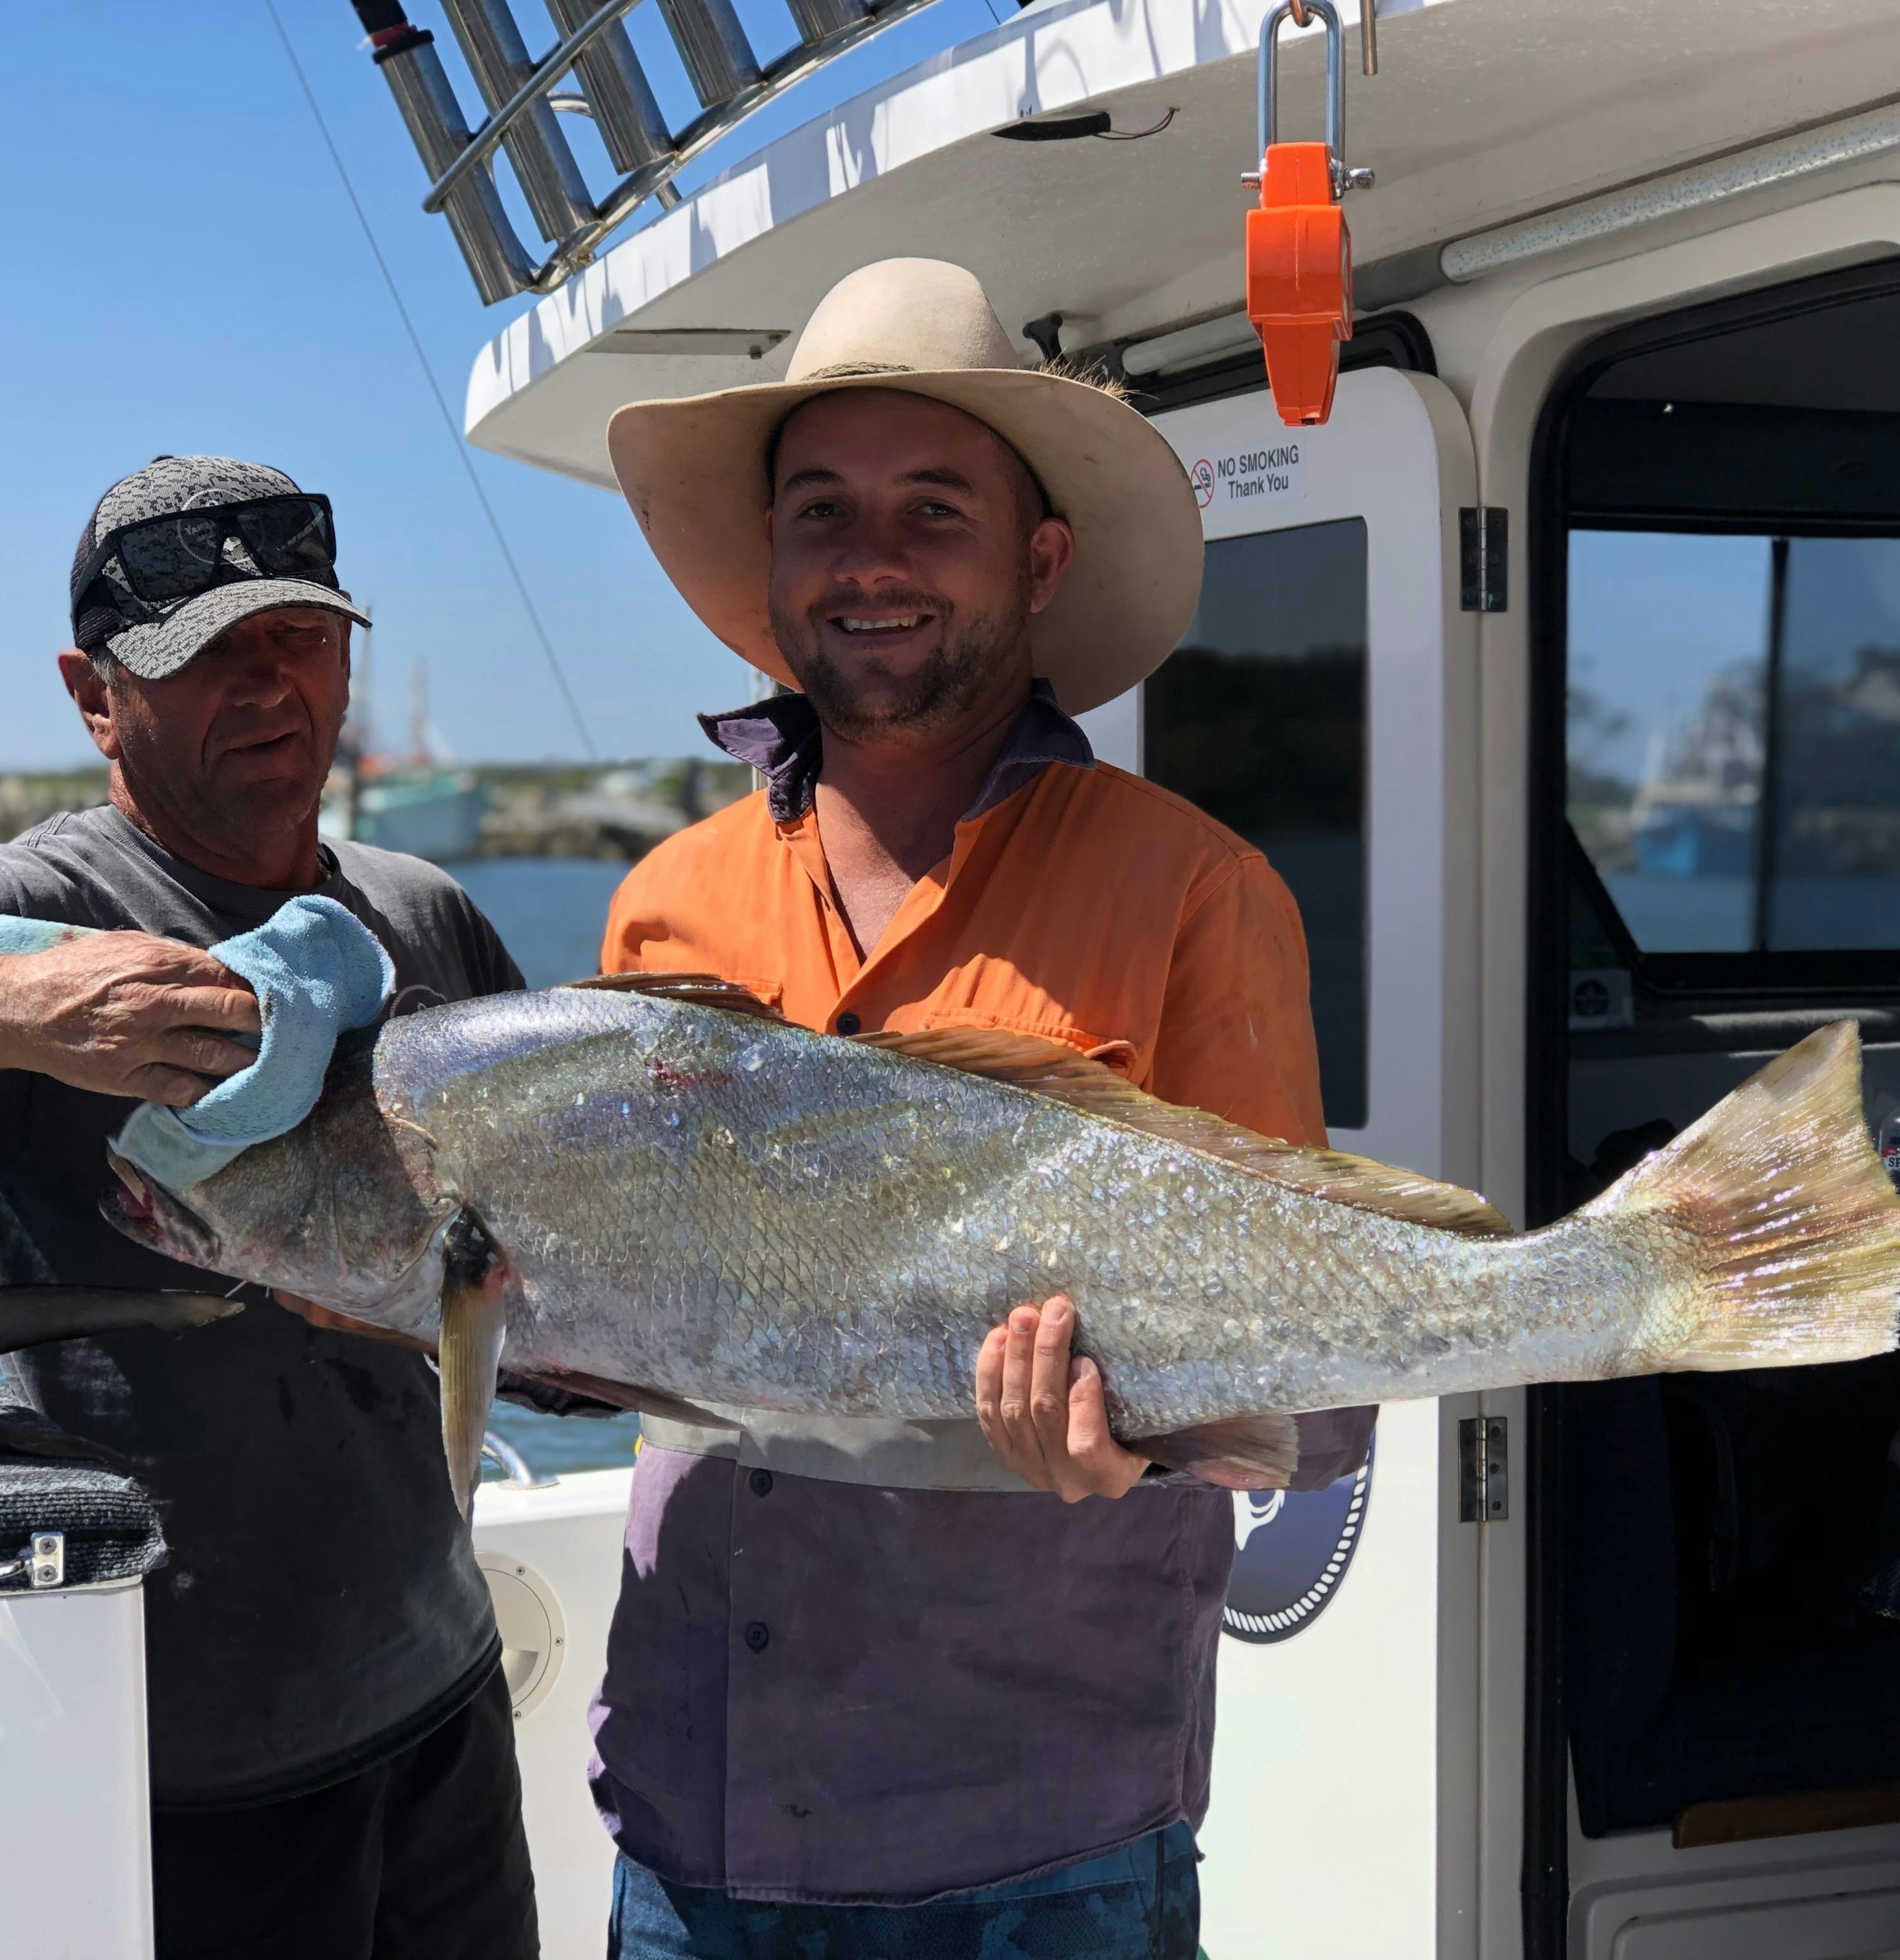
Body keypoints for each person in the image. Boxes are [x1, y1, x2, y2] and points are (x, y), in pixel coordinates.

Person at [590, 258, 1376, 1957]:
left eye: (930, 509)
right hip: (685, 1820)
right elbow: (647, 1315)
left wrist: (1140, 1440)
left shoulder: (1197, 894)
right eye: (824, 512)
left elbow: (1320, 1384)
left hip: (1036, 1851)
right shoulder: (664, 902)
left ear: (1037, 561)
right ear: (775, 561)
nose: (869, 559)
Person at [0, 456, 539, 1959]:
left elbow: (537, 1269)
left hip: (442, 1706)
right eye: (204, 653)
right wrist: (10, 1008)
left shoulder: (424, 914)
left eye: (298, 636)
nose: (268, 683)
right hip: (170, 1772)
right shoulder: (33, 914)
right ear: (97, 698)